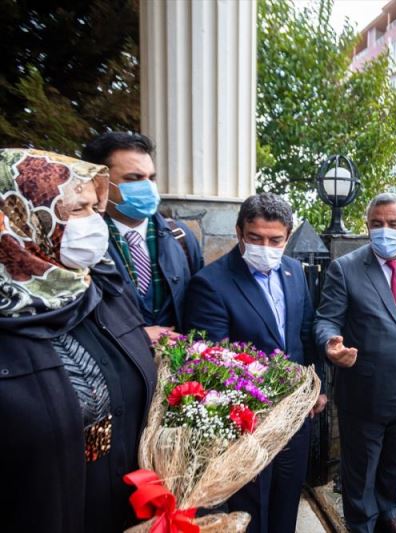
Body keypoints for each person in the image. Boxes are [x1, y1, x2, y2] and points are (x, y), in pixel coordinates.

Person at [0, 149, 157, 532]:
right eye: (76, 210)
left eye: (94, 208)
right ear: (23, 220)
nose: (94, 222)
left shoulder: (103, 287)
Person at [183, 193, 326, 533]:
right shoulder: (211, 283)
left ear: (287, 236)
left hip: (295, 421)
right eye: (255, 238)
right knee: (252, 514)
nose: (265, 246)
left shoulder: (293, 271)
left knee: (285, 506)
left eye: (275, 239)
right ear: (239, 232)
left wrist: (312, 389)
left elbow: (303, 335)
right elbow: (214, 363)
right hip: (247, 427)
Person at [314, 193, 396, 533]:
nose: (384, 230)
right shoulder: (345, 268)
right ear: (367, 226)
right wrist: (331, 344)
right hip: (365, 390)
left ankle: (388, 513)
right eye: (377, 224)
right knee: (360, 469)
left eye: (393, 224)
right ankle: (361, 524)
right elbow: (326, 320)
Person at [82, 132, 204, 340]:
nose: (147, 187)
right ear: (99, 182)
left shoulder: (181, 237)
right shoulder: (82, 242)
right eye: (134, 179)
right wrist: (136, 338)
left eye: (151, 178)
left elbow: (199, 304)